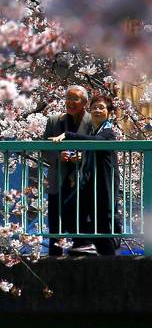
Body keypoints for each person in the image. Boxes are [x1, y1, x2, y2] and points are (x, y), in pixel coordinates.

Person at [49, 95, 121, 255]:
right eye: (94, 107)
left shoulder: (109, 132)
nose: (97, 110)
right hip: (89, 184)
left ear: (109, 112)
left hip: (103, 185)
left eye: (101, 107)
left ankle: (104, 256)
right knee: (69, 208)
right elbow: (94, 147)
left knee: (101, 224)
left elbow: (99, 143)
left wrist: (69, 135)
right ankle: (86, 242)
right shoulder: (95, 131)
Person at [42, 85, 91, 256]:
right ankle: (55, 256)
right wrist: (59, 156)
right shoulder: (55, 120)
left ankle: (80, 253)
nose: (70, 102)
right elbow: (45, 150)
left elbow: (96, 148)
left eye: (75, 99)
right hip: (59, 179)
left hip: (82, 180)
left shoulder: (92, 121)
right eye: (68, 98)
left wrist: (79, 158)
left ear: (84, 102)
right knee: (55, 221)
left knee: (81, 219)